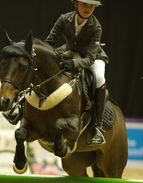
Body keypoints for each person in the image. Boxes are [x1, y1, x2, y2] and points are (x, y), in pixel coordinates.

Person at [45, 0, 108, 145]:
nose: (88, 8)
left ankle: (97, 127)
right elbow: (50, 41)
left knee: (99, 78)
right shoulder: (63, 19)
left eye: (92, 6)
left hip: (92, 58)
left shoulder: (96, 26)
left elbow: (90, 58)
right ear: (76, 4)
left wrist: (73, 63)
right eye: (85, 4)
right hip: (70, 52)